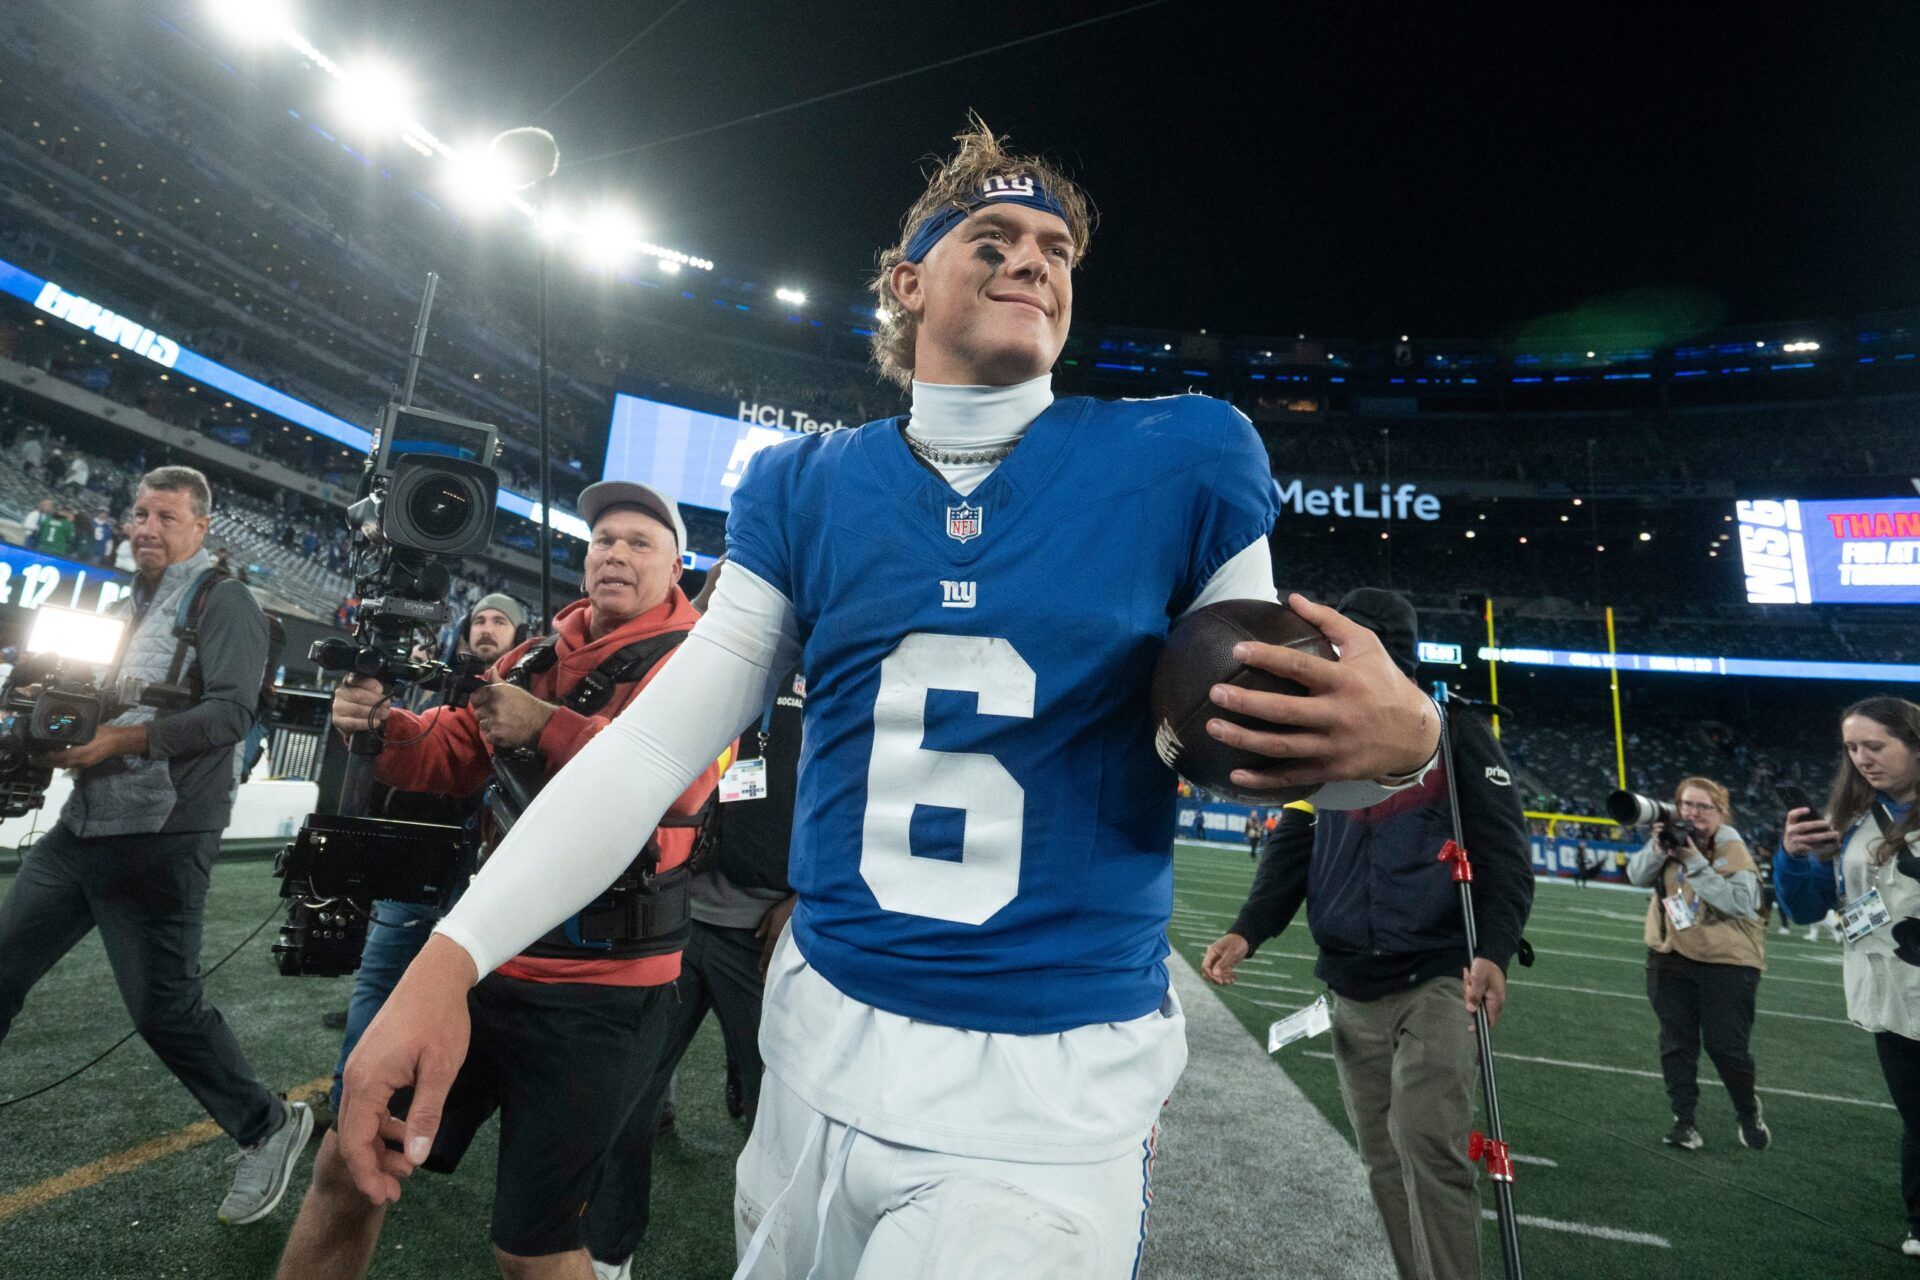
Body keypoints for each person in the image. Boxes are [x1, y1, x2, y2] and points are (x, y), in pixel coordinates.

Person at [338, 118, 1442, 1279]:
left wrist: (1409, 741)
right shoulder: (805, 485)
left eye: (1057, 249)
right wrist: (449, 958)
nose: (1034, 259)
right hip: (820, 1036)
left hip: (1047, 1084)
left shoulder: (1186, 454)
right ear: (908, 282)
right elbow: (656, 739)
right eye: (996, 236)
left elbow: (1268, 718)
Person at [276, 482, 717, 1280]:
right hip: (482, 962)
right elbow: (449, 753)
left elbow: (673, 786)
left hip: (603, 991)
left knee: (533, 1249)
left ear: (676, 565)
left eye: (639, 543)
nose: (614, 552)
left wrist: (546, 724)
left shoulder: (705, 662)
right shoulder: (537, 652)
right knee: (351, 1157)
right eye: (603, 540)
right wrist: (385, 729)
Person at [0, 465, 309, 1225]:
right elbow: (117, 698)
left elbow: (232, 714)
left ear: (202, 528)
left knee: (164, 1011)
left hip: (162, 839)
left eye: (165, 517)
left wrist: (120, 740)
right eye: (138, 513)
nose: (144, 528)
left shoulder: (226, 600)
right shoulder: (134, 600)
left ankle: (269, 1125)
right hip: (83, 828)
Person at [1201, 589, 1533, 1280]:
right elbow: (1296, 842)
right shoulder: (1320, 739)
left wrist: (1494, 951)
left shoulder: (1454, 730)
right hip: (1351, 980)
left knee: (1427, 1144)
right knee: (1382, 1156)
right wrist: (1248, 929)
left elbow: (1503, 849)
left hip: (1438, 973)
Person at [584, 558, 799, 1280]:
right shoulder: (686, 659)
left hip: (764, 930)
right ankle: (610, 1253)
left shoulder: (829, 663)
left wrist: (809, 896)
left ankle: (785, 1256)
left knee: (782, 1116)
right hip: (674, 917)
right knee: (626, 1099)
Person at [1775, 696, 1920, 1257]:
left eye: (1875, 746)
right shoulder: (1851, 819)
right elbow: (1808, 909)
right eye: (1852, 748)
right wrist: (1793, 858)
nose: (1862, 758)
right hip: (1891, 999)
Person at [1627, 776, 1769, 1152]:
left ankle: (1747, 1110)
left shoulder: (1732, 848)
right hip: (1670, 953)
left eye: (1703, 807)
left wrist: (1694, 863)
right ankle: (1684, 1122)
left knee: (1727, 1048)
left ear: (1721, 812)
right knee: (1676, 1043)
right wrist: (1659, 848)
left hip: (1728, 961)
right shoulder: (1672, 837)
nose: (1693, 813)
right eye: (1686, 805)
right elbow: (1636, 875)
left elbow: (1739, 902)